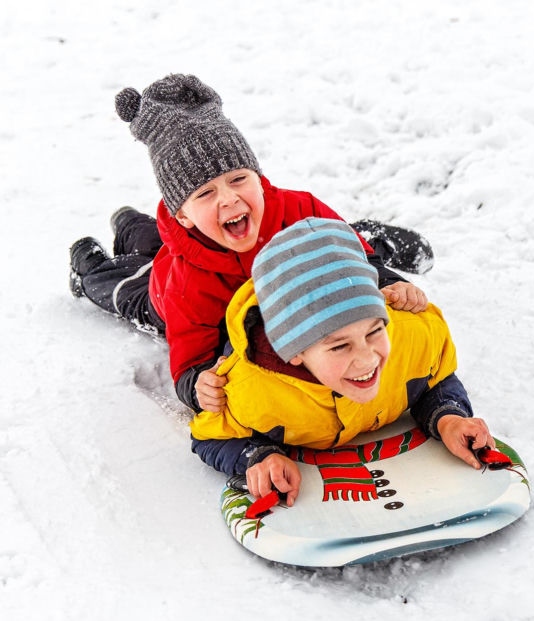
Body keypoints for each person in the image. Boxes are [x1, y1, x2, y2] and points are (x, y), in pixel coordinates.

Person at [68, 73, 432, 414]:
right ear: (183, 215)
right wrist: (198, 385)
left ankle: (129, 221)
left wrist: (385, 281)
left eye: (238, 179)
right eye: (206, 193)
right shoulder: (185, 282)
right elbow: (189, 362)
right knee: (132, 283)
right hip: (160, 290)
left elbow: (349, 258)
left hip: (263, 270)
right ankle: (92, 264)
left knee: (338, 242)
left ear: (258, 178)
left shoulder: (300, 210)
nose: (228, 199)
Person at [190, 217, 494, 506]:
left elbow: (433, 377)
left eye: (375, 331)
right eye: (340, 347)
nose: (366, 359)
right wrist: (258, 456)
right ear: (295, 353)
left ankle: (370, 237)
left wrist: (448, 417)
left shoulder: (411, 335)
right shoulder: (250, 391)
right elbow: (209, 436)